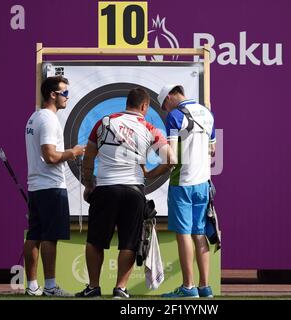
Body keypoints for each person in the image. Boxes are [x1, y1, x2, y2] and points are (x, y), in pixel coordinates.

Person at [76, 87, 174, 298]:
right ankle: (120, 288)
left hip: (105, 188)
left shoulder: (104, 122)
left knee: (95, 240)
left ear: (127, 103)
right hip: (133, 190)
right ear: (144, 106)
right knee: (129, 241)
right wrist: (149, 174)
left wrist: (88, 184)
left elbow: (89, 157)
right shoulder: (150, 127)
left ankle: (93, 287)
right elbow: (171, 160)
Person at [24, 76, 85, 296]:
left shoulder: (34, 117)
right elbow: (50, 156)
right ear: (53, 94)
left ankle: (33, 286)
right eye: (64, 93)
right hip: (50, 186)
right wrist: (74, 152)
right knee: (49, 237)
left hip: (37, 185)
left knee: (35, 235)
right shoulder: (48, 119)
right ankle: (49, 286)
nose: (67, 97)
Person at [157, 84, 216, 298]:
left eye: (164, 104)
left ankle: (188, 287)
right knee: (199, 233)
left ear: (171, 96)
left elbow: (170, 157)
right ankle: (204, 287)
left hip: (182, 182)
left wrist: (152, 169)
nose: (165, 109)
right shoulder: (207, 113)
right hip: (203, 182)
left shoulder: (174, 115)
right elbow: (213, 149)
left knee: (184, 235)